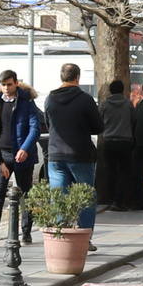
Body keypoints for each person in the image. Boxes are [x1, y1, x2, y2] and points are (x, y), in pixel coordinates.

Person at [43, 62, 103, 231]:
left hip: (55, 154)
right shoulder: (85, 99)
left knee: (58, 198)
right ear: (77, 78)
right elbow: (99, 127)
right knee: (86, 196)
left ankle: (61, 233)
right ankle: (85, 234)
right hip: (80, 154)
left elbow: (48, 124)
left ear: (62, 77)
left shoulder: (50, 99)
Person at [0, 70, 42, 243]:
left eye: (9, 84)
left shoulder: (27, 102)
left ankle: (26, 232)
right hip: (1, 156)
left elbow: (35, 128)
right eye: (3, 85)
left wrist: (25, 149)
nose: (6, 88)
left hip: (22, 156)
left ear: (16, 83)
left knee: (26, 194)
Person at [97, 78, 138, 210]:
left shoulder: (104, 104)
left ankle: (110, 199)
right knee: (124, 172)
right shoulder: (128, 104)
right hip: (124, 142)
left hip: (108, 141)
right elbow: (134, 120)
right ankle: (119, 200)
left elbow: (99, 121)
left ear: (110, 91)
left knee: (110, 172)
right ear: (123, 90)